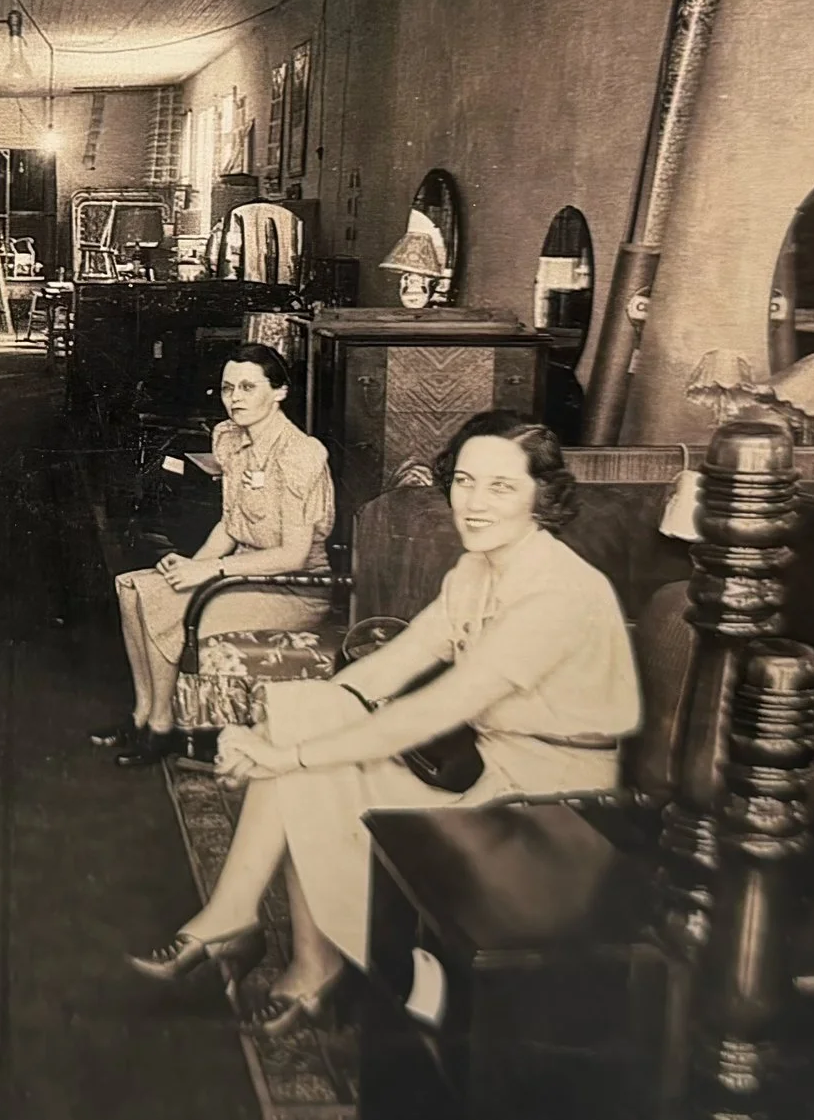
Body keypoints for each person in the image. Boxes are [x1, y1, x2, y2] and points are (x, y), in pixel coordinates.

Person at [128, 422, 637, 1031]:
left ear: (541, 496)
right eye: (465, 481)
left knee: (306, 764)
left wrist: (285, 755)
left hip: (553, 815)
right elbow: (393, 664)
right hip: (492, 778)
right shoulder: (479, 569)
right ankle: (258, 930)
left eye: (501, 486)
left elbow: (435, 708)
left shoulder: (558, 592)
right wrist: (280, 734)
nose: (474, 503)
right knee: (305, 713)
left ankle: (274, 944)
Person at [90, 344, 334, 766]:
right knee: (131, 587)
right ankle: (142, 714)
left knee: (164, 602)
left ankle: (162, 728)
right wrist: (193, 567)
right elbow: (229, 525)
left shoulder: (299, 453)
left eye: (248, 387)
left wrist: (209, 572)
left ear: (279, 392)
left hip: (293, 588)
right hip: (246, 572)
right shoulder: (232, 439)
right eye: (227, 388)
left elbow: (293, 556)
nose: (235, 398)